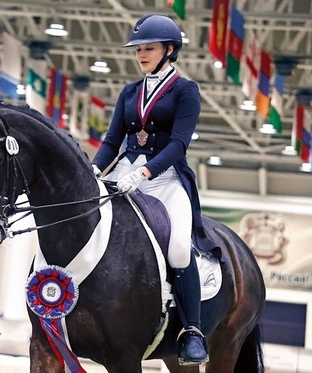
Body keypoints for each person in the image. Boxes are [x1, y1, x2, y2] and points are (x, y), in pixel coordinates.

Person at [91, 14, 218, 366]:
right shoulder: (130, 92)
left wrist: (146, 171)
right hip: (124, 174)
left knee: (178, 249)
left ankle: (192, 330)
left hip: (165, 178)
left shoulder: (185, 90)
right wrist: (93, 169)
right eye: (138, 50)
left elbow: (178, 144)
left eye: (148, 49)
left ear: (169, 49)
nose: (141, 55)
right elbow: (112, 139)